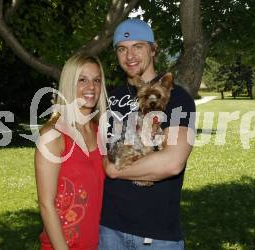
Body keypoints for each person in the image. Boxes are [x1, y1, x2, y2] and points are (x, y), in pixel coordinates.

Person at [99, 19, 196, 249]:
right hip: (107, 229)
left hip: (157, 236)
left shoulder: (178, 99)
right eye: (122, 49)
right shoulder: (108, 98)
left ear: (153, 49)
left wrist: (113, 169)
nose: (129, 55)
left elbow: (172, 163)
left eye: (138, 46)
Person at [35, 53, 108, 250]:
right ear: (69, 84)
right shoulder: (53, 135)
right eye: (82, 80)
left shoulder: (99, 132)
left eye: (96, 80)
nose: (91, 87)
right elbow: (45, 205)